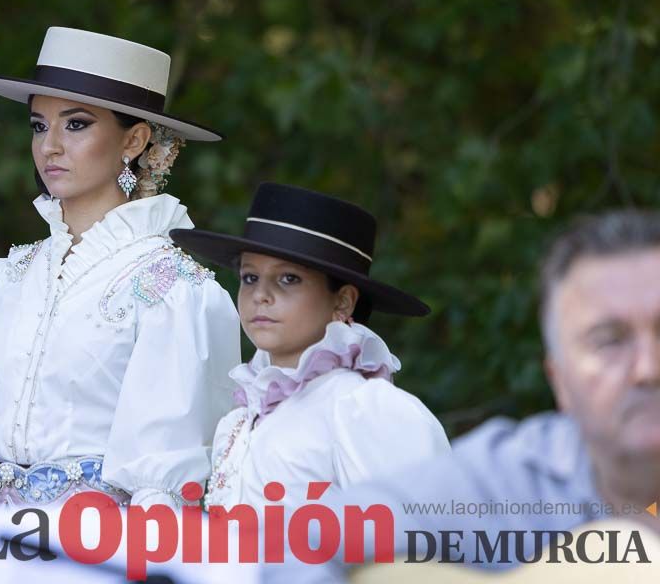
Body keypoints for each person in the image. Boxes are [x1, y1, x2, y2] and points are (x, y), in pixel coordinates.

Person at [0, 27, 241, 509]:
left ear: (134, 139)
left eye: (75, 124)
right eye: (38, 125)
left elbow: (167, 471)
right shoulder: (5, 279)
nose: (50, 145)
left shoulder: (172, 290)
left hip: (101, 551)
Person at [266, 209, 660, 581]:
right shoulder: (506, 484)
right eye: (610, 342)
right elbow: (293, 548)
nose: (648, 369)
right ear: (559, 381)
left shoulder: (365, 407)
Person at [170, 182, 449, 508]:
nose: (261, 295)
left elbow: (417, 539)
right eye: (249, 277)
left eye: (288, 278)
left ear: (343, 301)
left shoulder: (364, 408)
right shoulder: (238, 421)